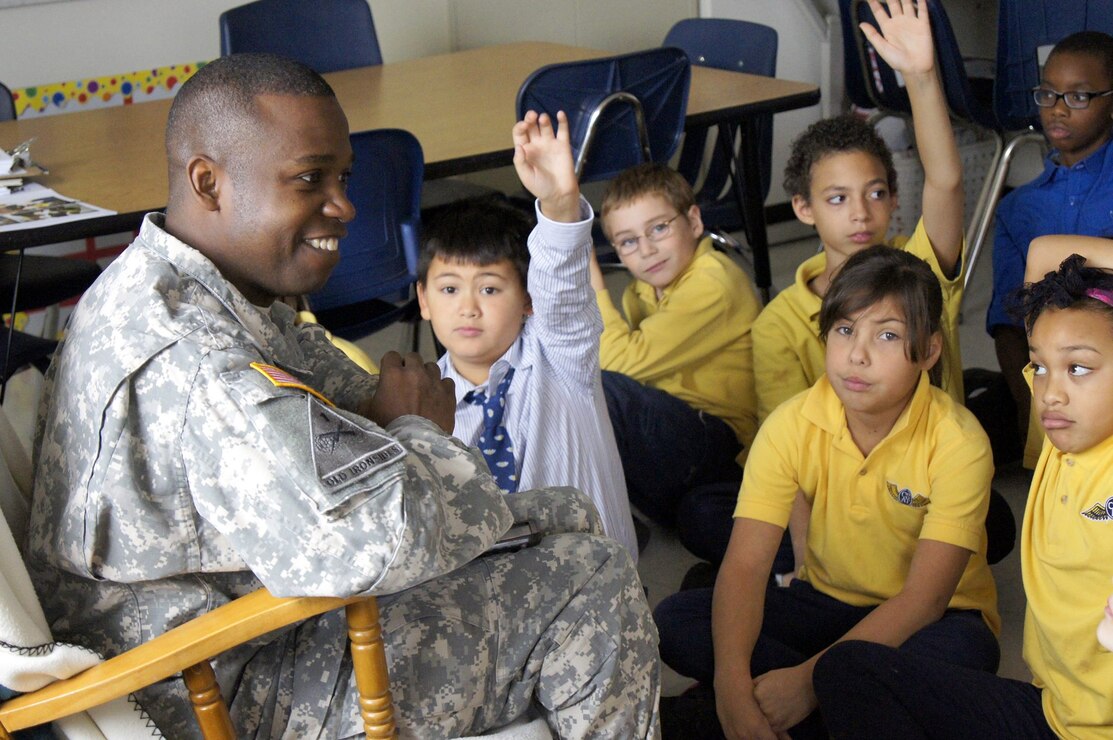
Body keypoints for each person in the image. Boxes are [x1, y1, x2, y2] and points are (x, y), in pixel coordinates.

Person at [25, 53, 660, 739]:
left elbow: (341, 388)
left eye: (343, 178)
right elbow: (387, 541)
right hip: (214, 680)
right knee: (587, 581)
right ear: (209, 182)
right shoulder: (196, 363)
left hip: (238, 622)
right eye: (309, 180)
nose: (345, 206)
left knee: (559, 521)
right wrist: (419, 429)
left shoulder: (191, 281)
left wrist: (399, 424)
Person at [655, 246, 1000, 739]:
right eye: (844, 330)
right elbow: (748, 566)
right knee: (676, 620)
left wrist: (807, 682)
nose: (857, 355)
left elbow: (924, 600)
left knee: (959, 658)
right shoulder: (791, 423)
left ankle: (796, 706)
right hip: (826, 602)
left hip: (936, 621)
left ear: (928, 351)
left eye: (887, 335)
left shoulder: (959, 441)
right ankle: (812, 708)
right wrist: (733, 692)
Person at [814, 241, 1113, 739]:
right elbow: (1042, 253)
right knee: (848, 671)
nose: (1052, 391)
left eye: (1079, 367)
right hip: (1053, 716)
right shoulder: (1058, 441)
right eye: (1039, 366)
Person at [416, 111, 637, 557]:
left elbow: (562, 285)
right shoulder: (421, 407)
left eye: (491, 288)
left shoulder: (560, 354)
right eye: (449, 289)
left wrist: (559, 204)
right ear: (423, 300)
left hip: (602, 600)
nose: (468, 307)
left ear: (528, 299)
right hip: (501, 603)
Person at [587, 162, 761, 536]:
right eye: (629, 241)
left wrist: (592, 285)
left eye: (659, 228)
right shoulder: (642, 290)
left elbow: (618, 361)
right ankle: (624, 517)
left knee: (605, 390)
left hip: (720, 438)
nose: (647, 250)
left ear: (694, 222)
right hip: (682, 432)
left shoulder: (713, 282)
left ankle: (610, 523)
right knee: (695, 519)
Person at [986, 31, 1113, 469]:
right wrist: (1031, 412)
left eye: (1079, 96)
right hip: (1058, 386)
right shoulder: (1018, 208)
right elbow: (1007, 325)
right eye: (1048, 94)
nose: (1058, 108)